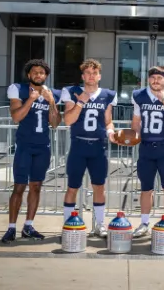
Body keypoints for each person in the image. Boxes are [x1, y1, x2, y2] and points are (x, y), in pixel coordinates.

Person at [2, 59, 60, 242]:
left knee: (36, 186)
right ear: (29, 75)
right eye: (34, 72)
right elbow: (16, 117)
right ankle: (11, 228)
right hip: (25, 145)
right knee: (19, 186)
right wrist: (31, 100)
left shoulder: (52, 93)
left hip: (42, 146)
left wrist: (51, 102)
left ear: (46, 76)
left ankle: (28, 226)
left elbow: (55, 123)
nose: (38, 75)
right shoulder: (18, 89)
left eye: (41, 73)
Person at [60, 59, 118, 238]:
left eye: (94, 73)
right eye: (87, 73)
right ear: (82, 76)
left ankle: (99, 225)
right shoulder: (72, 92)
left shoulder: (108, 94)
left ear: (99, 76)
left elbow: (108, 121)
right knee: (72, 187)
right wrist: (80, 103)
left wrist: (111, 132)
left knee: (99, 186)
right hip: (78, 144)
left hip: (98, 146)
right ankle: (68, 225)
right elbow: (68, 120)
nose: (91, 76)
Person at [130, 66, 164, 238]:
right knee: (146, 188)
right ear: (148, 80)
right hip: (146, 148)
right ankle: (144, 223)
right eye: (152, 77)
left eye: (159, 78)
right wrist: (133, 136)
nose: (156, 80)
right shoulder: (139, 95)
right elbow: (136, 122)